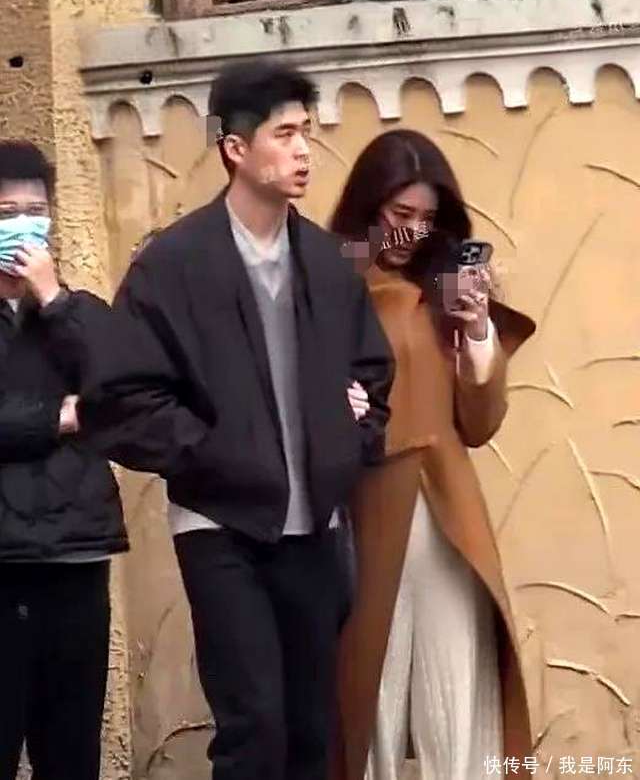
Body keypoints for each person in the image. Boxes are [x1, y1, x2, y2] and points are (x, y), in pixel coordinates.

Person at [77, 60, 394, 780]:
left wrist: (352, 429)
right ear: (234, 148)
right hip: (221, 527)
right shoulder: (173, 265)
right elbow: (122, 396)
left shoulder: (327, 262)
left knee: (312, 728)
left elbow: (372, 376)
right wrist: (210, 451)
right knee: (255, 727)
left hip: (316, 528)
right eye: (285, 134)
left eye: (306, 132)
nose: (304, 150)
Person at [329, 130, 536, 780]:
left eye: (427, 217)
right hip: (366, 510)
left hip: (448, 512)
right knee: (368, 696)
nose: (413, 231)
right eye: (400, 213)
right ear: (369, 204)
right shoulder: (328, 281)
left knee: (459, 693)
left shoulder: (444, 289)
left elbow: (479, 423)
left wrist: (476, 328)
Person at [0, 140, 128, 780]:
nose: (24, 225)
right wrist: (60, 417)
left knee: (71, 749)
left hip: (76, 556)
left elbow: (121, 388)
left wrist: (53, 299)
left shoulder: (77, 313)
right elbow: (85, 409)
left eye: (36, 211)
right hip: (4, 563)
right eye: (7, 213)